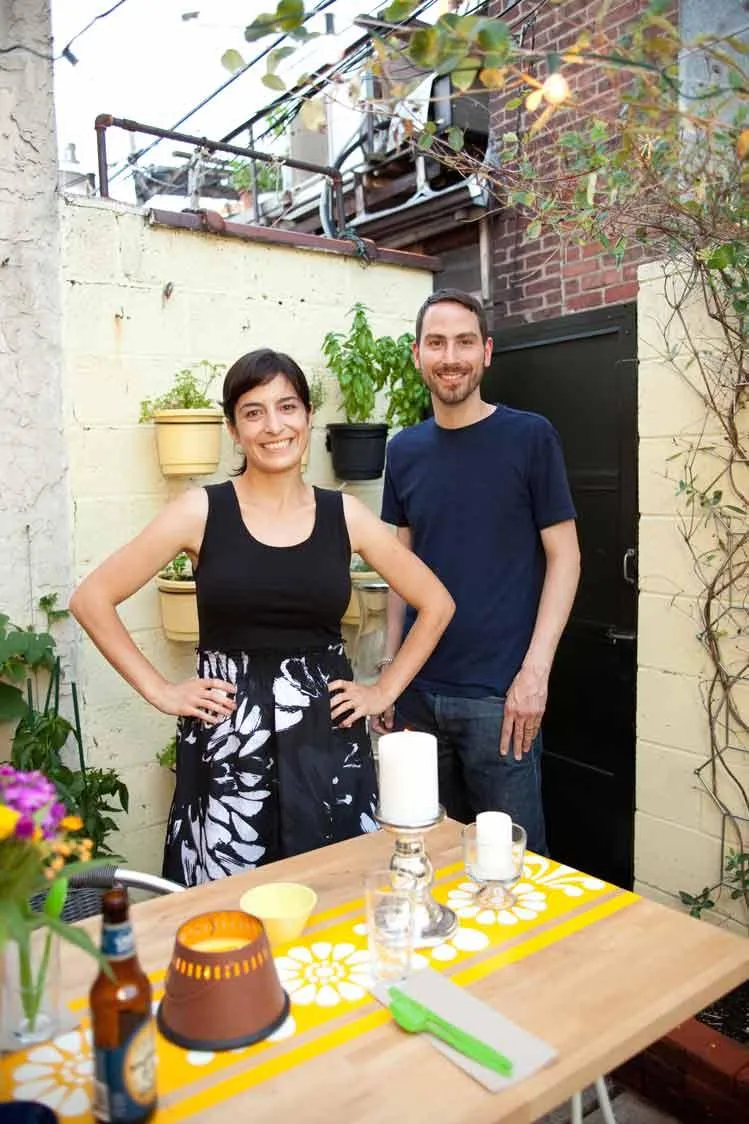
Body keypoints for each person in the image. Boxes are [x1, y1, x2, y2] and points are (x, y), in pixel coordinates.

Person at [70, 348, 454, 886]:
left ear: (308, 416)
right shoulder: (200, 511)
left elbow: (437, 602)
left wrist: (381, 690)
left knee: (333, 897)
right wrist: (161, 691)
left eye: (287, 407)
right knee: (227, 911)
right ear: (233, 428)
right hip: (228, 740)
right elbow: (92, 598)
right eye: (254, 412)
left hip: (326, 738)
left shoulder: (345, 514)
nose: (274, 426)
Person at [373, 290, 580, 855]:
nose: (451, 356)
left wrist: (535, 672)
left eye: (465, 341)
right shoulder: (405, 450)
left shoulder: (530, 437)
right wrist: (390, 673)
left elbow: (567, 556)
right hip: (417, 699)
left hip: (501, 701)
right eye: (436, 343)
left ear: (486, 352)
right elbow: (401, 569)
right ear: (418, 355)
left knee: (514, 868)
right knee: (424, 860)